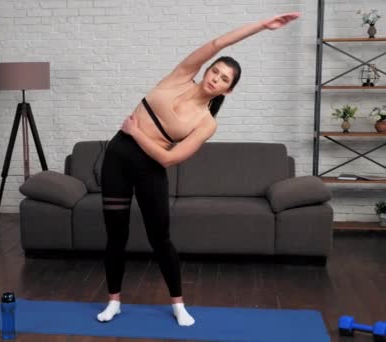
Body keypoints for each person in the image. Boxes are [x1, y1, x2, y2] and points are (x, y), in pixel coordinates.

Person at [97, 12, 301, 326]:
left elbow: (169, 159)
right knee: (115, 236)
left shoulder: (207, 123)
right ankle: (114, 302)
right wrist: (262, 26)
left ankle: (178, 305)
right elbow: (219, 42)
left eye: (223, 79)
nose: (215, 78)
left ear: (227, 91)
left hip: (150, 166)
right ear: (206, 69)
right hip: (117, 157)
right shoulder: (180, 76)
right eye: (215, 71)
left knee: (160, 239)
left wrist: (136, 132)